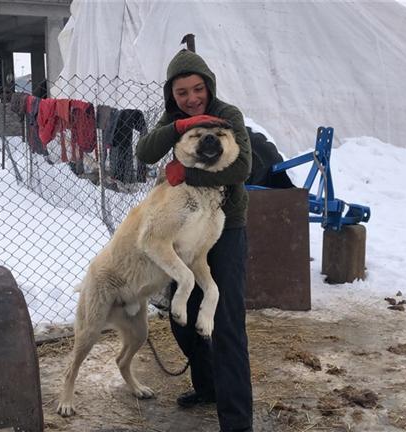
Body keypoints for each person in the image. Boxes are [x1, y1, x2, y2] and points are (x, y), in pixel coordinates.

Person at [136, 49, 253, 432]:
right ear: (172, 95)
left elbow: (241, 167)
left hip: (224, 225)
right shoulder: (173, 119)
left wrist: (183, 174)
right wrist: (175, 128)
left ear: (209, 86)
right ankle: (207, 387)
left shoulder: (229, 116)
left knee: (227, 323)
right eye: (181, 92)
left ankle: (236, 423)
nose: (191, 98)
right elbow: (143, 152)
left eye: (197, 89)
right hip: (182, 229)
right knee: (182, 320)